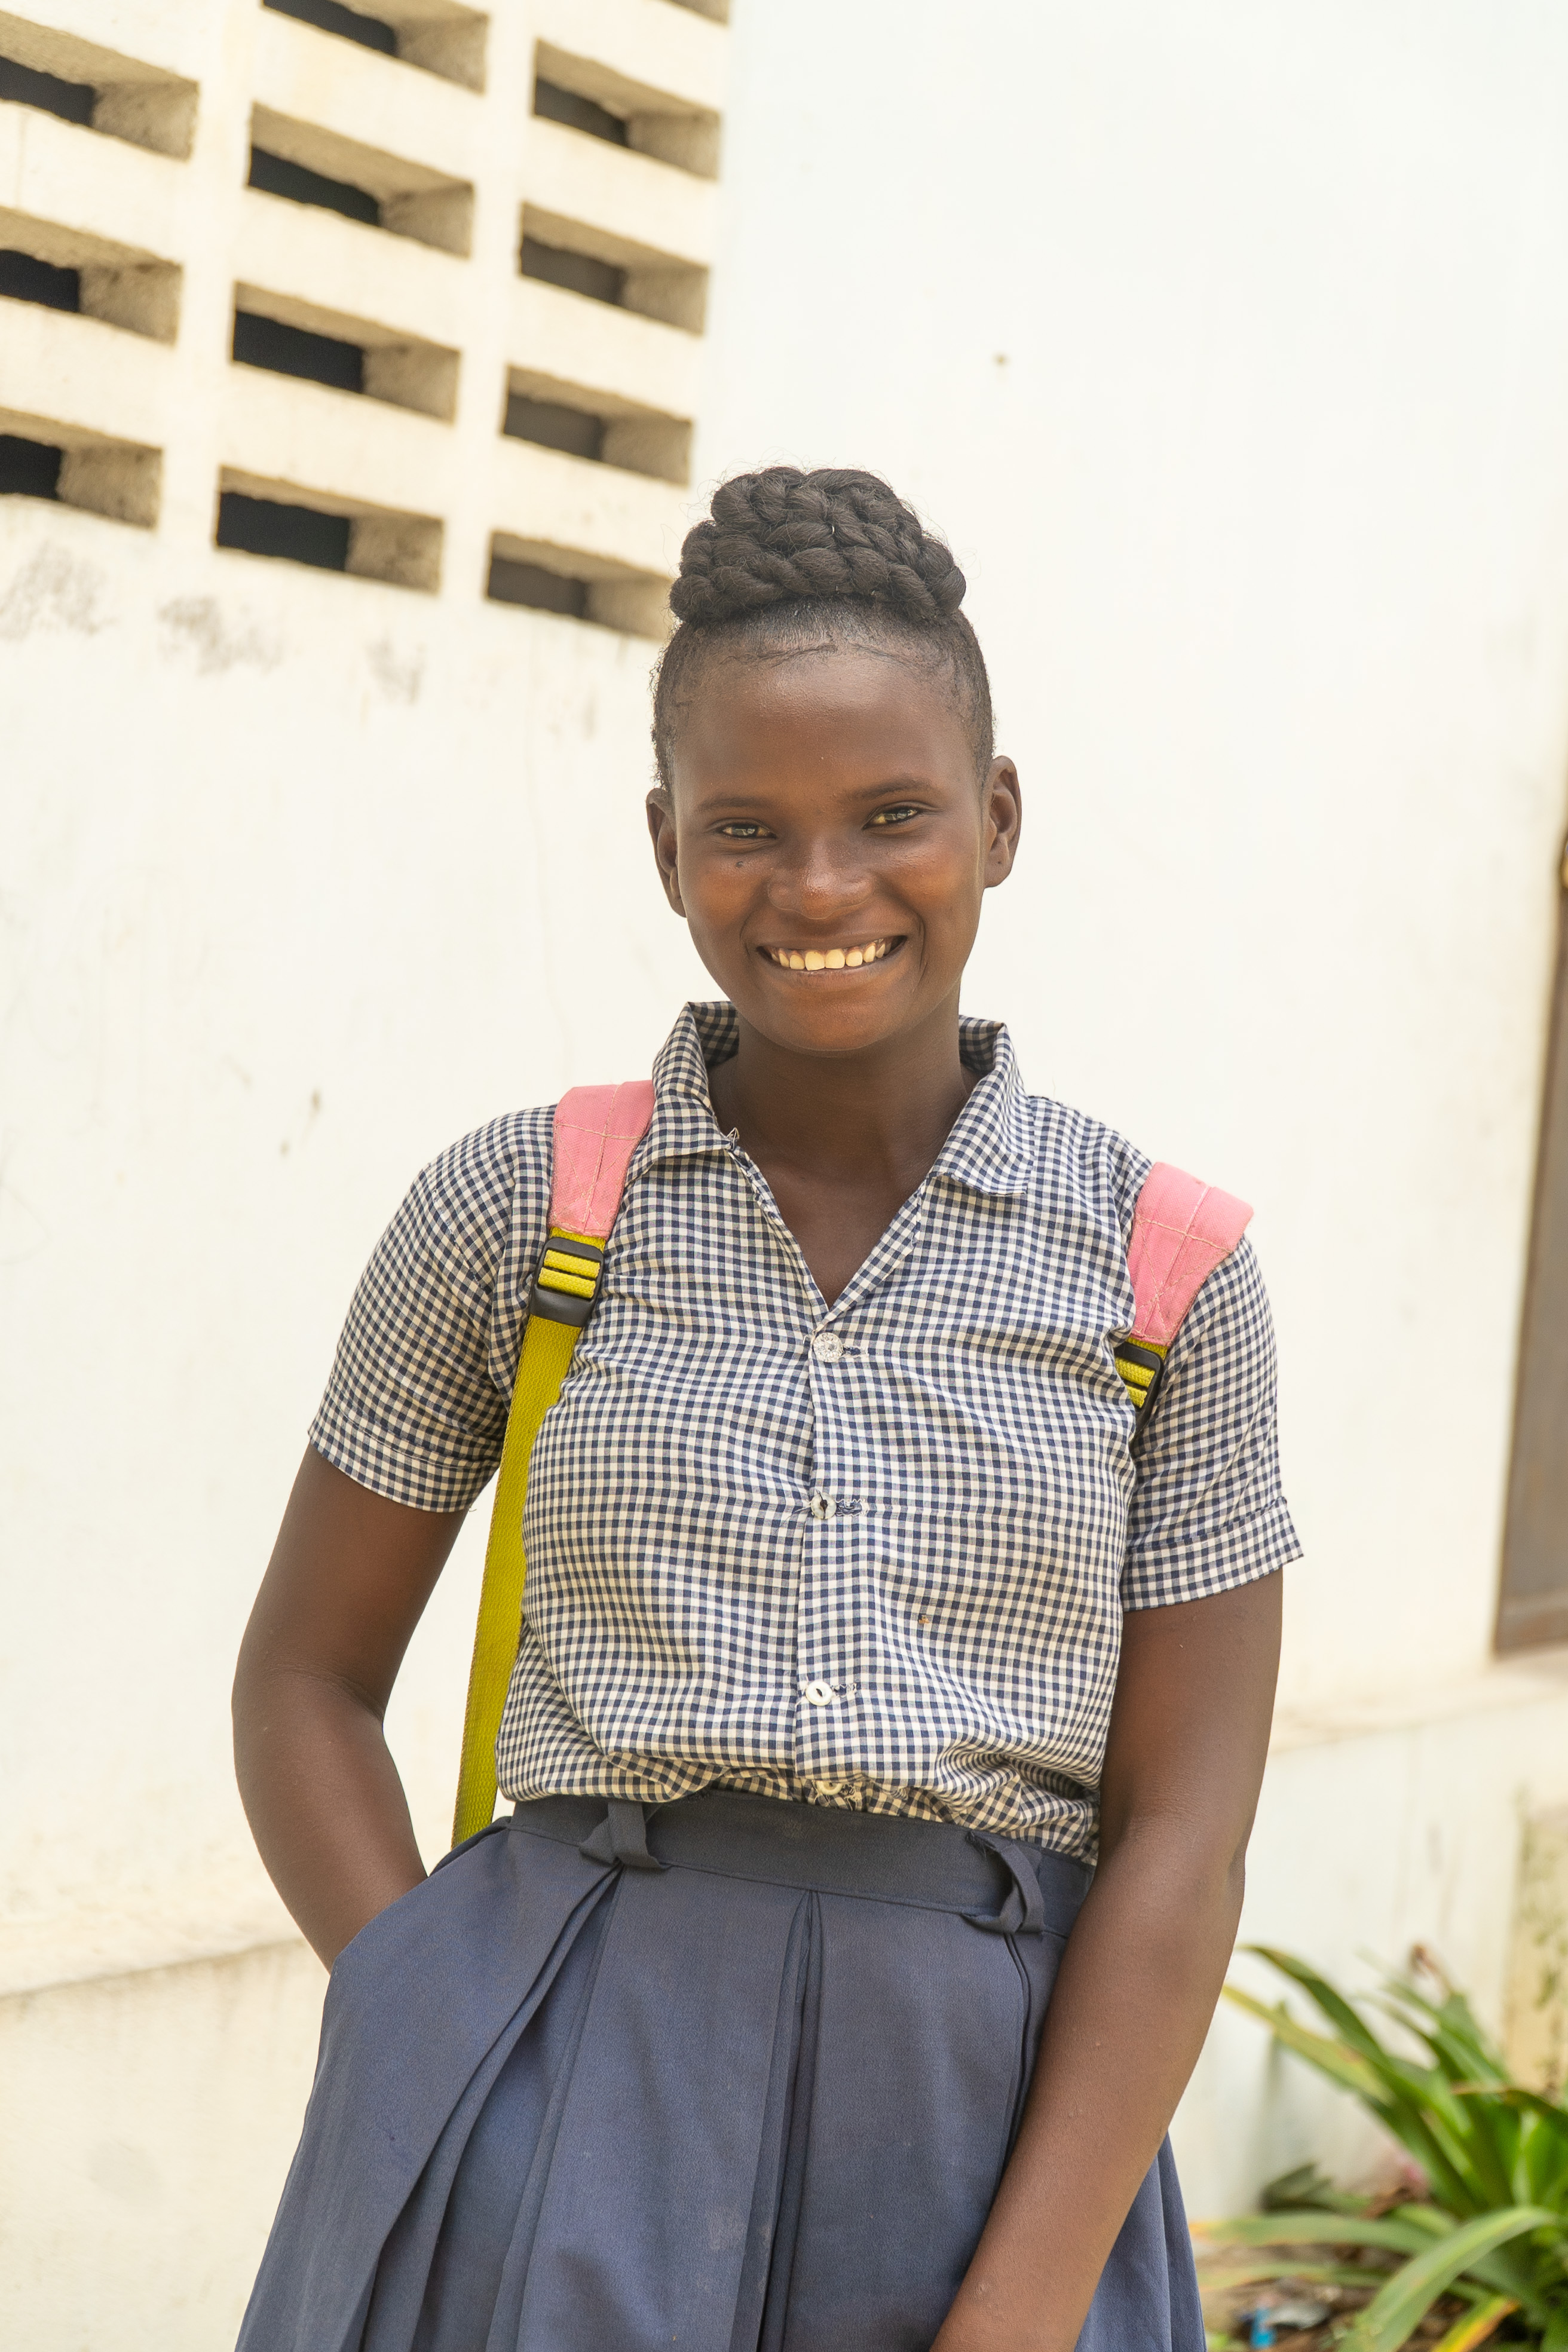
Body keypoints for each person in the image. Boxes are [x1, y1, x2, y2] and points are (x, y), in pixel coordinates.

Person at [232, 466, 1297, 2352]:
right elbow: (304, 1683)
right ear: (664, 844)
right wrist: (428, 2017)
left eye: (891, 816)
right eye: (747, 829)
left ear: (998, 817)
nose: (820, 890)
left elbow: (1182, 1840)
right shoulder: (516, 1213)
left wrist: (1026, 2304)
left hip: (986, 2117)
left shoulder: (1168, 1276)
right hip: (558, 2071)